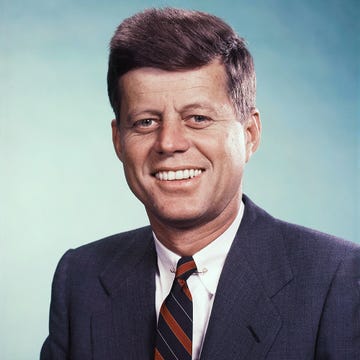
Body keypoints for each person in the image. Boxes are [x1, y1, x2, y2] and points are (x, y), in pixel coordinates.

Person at [41, 7, 359, 360]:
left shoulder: (335, 278)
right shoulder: (81, 277)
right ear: (119, 141)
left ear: (250, 134)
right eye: (146, 122)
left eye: (197, 118)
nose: (169, 142)